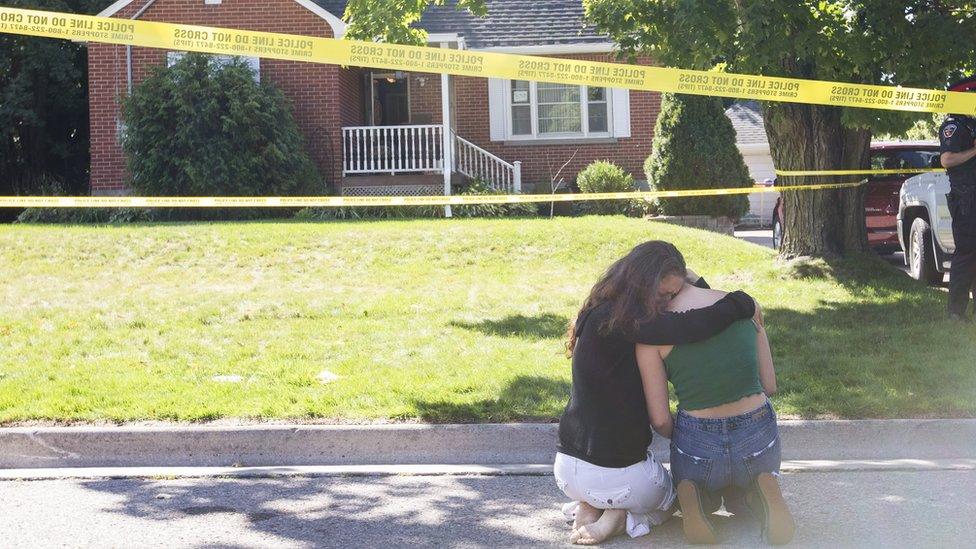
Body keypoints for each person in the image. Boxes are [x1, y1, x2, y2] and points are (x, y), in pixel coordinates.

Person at [554, 240, 762, 545]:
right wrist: (743, 303)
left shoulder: (600, 310)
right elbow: (692, 324)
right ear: (643, 284)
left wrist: (693, 280)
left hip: (567, 471)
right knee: (676, 500)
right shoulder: (632, 322)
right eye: (665, 294)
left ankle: (590, 504)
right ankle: (621, 517)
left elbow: (692, 307)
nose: (670, 301)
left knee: (612, 483)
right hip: (619, 476)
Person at [634, 243, 794, 545]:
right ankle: (760, 491)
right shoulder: (746, 306)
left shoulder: (651, 336)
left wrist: (682, 433)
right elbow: (769, 385)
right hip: (757, 433)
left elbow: (659, 418)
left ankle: (695, 498)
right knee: (743, 499)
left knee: (699, 490)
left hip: (698, 442)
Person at [939, 75, 976, 321]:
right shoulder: (953, 126)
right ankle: (956, 312)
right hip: (966, 198)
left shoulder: (971, 124)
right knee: (966, 254)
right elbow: (947, 160)